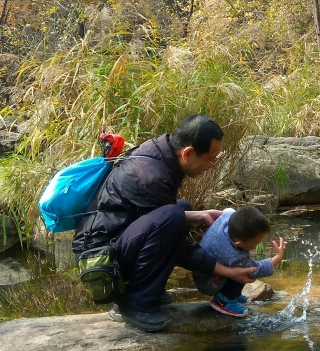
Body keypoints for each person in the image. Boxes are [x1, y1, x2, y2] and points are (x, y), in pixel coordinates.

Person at [72, 114, 256, 332]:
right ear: (187, 153)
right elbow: (177, 242)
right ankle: (134, 304)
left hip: (112, 242)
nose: (213, 165)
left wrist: (200, 214)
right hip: (102, 261)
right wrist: (226, 271)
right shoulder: (151, 176)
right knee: (173, 216)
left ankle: (148, 292)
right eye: (210, 158)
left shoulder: (158, 154)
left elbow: (147, 215)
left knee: (182, 208)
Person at [193, 205, 286, 318]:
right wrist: (278, 257)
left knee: (239, 267)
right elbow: (255, 270)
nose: (257, 245)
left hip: (204, 267)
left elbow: (228, 210)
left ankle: (233, 294)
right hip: (208, 281)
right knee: (244, 272)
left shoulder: (229, 217)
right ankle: (224, 300)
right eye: (256, 243)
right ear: (239, 243)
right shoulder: (233, 253)